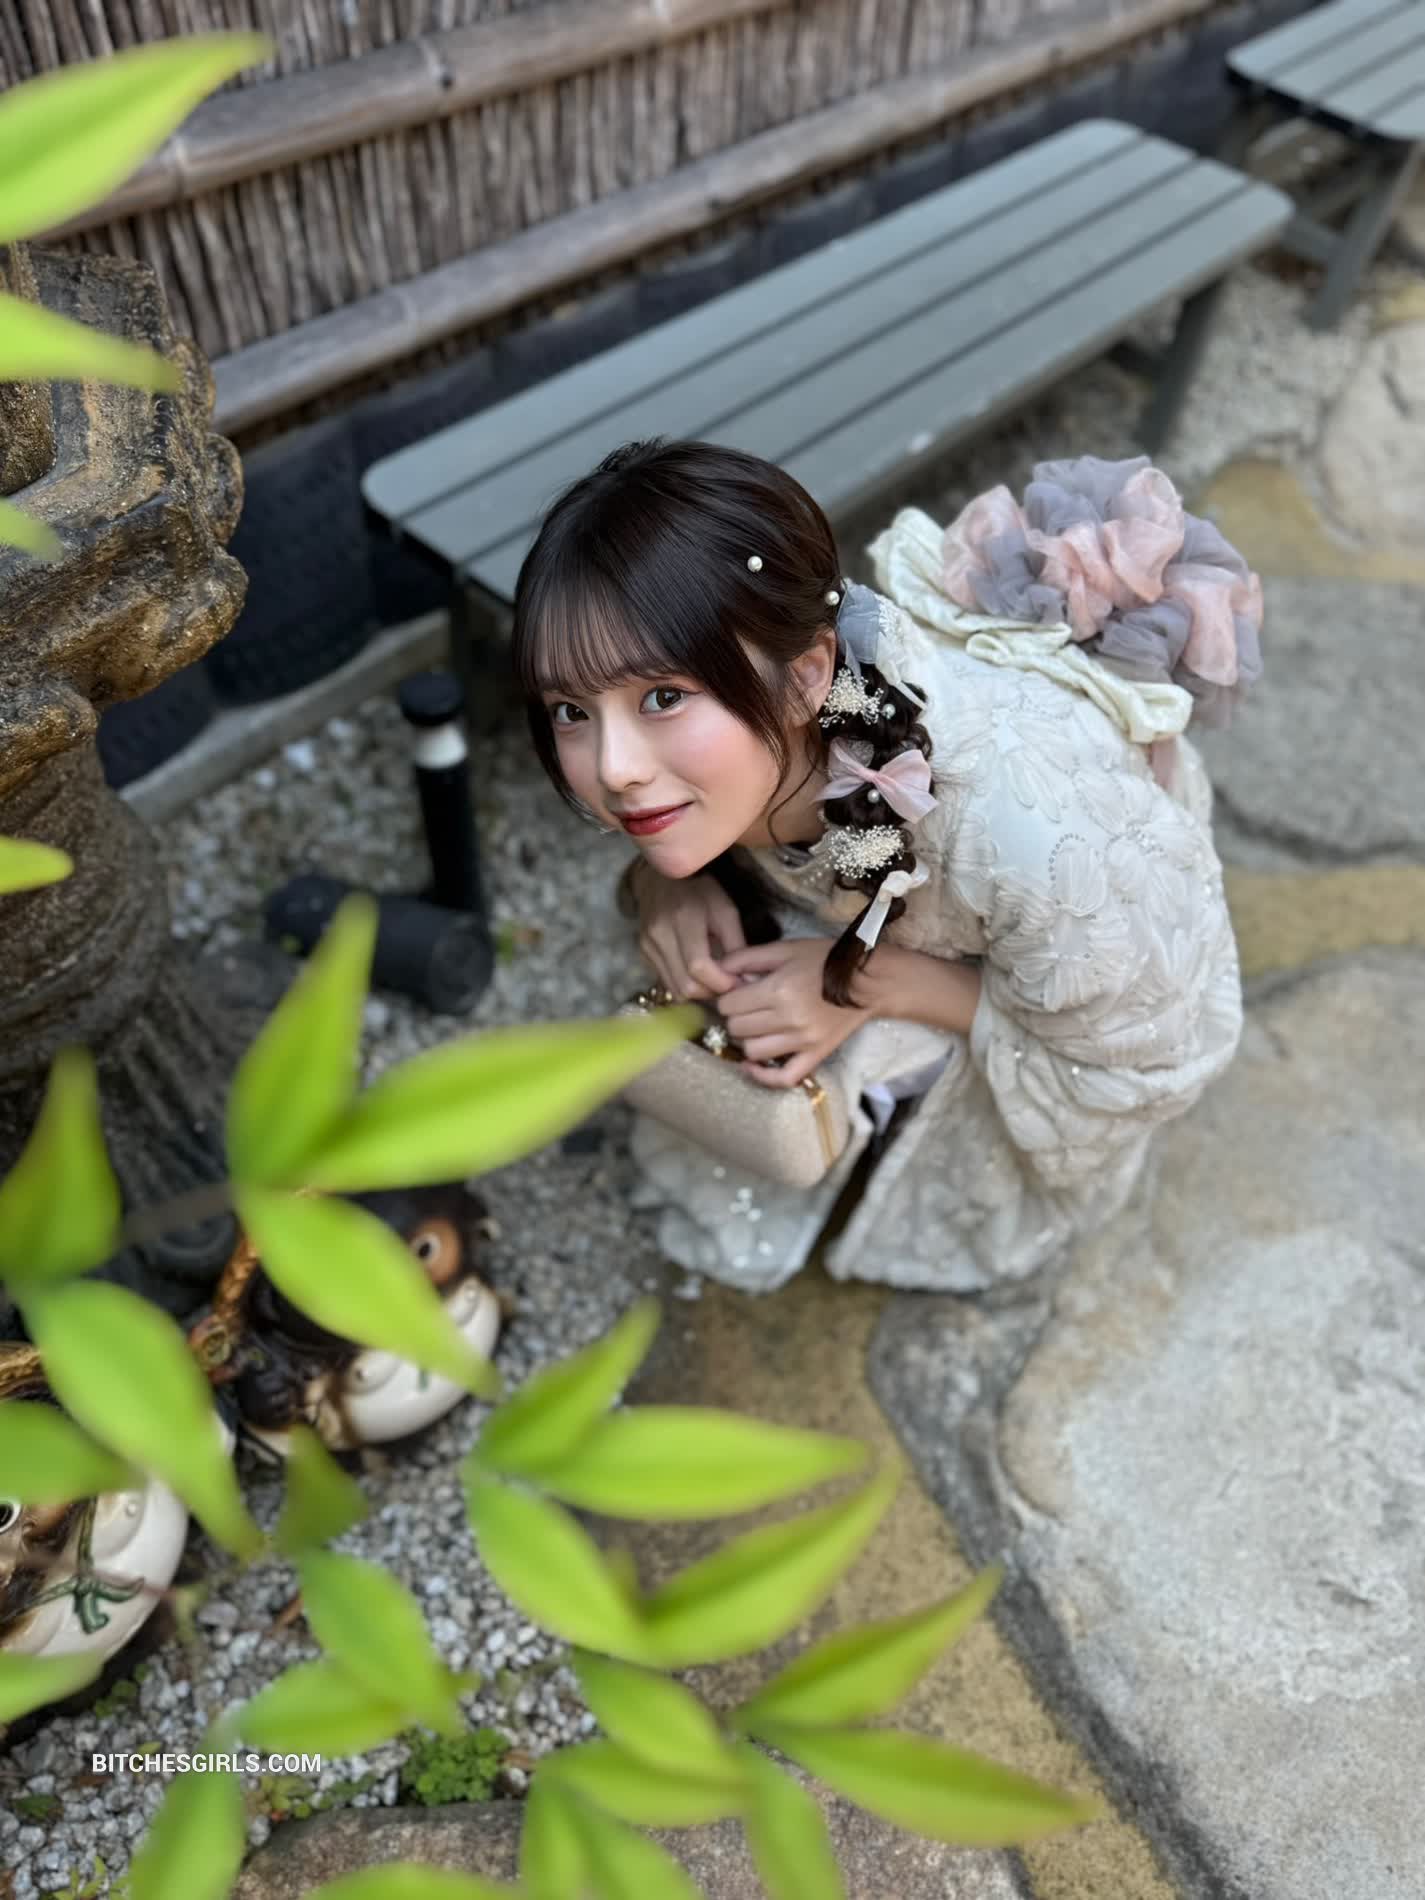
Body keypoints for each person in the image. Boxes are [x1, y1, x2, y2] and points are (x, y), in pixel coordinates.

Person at [509, 438, 1258, 1293]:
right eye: (570, 709)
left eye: (663, 697)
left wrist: (871, 987)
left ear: (806, 678)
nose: (613, 770)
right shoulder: (729, 759)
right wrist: (669, 885)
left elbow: (1148, 1055)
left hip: (1077, 935)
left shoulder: (1036, 833)